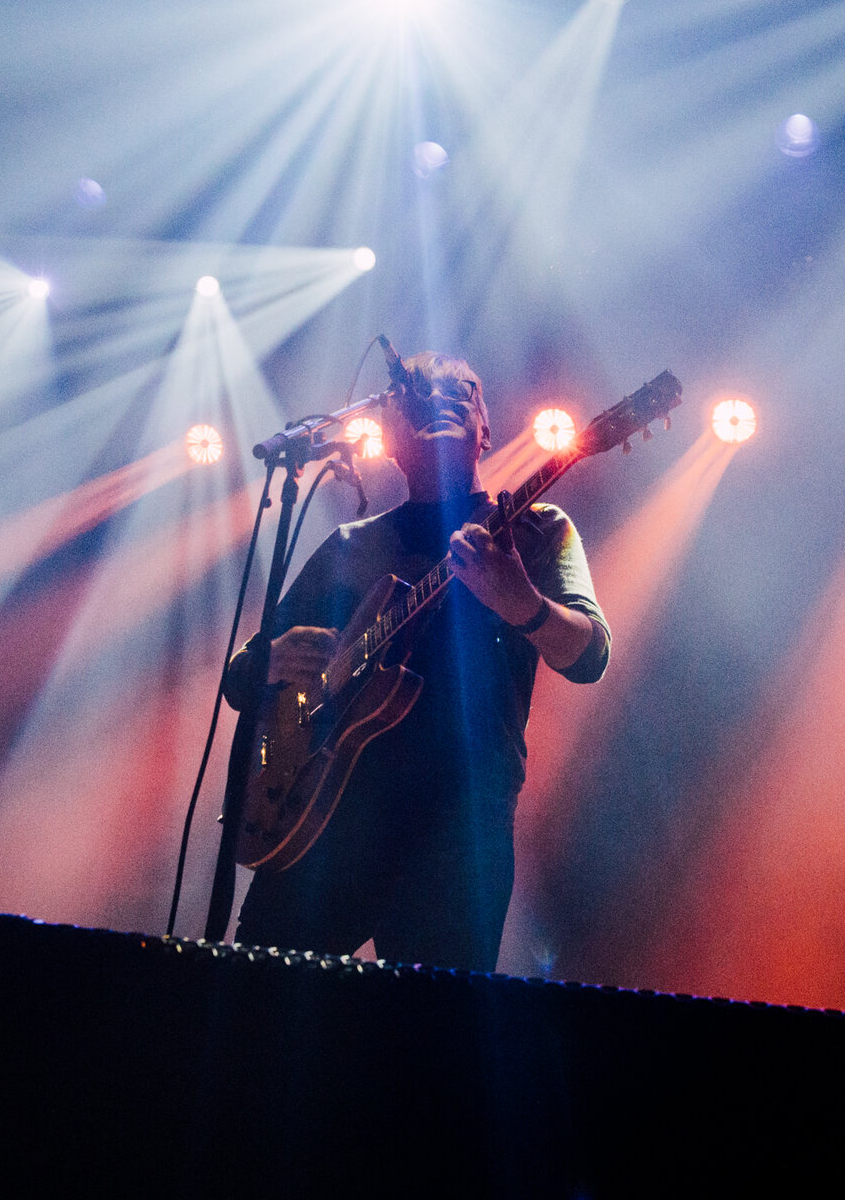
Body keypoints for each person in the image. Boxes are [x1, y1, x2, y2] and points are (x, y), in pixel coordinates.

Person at [229, 351, 610, 971]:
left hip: (458, 826)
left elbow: (590, 654)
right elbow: (242, 677)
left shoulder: (536, 528)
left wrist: (524, 604)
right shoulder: (353, 543)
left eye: (460, 391)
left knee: (437, 1044)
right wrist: (269, 660)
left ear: (485, 427)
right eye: (418, 396)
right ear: (391, 437)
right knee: (257, 1011)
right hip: (324, 815)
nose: (437, 398)